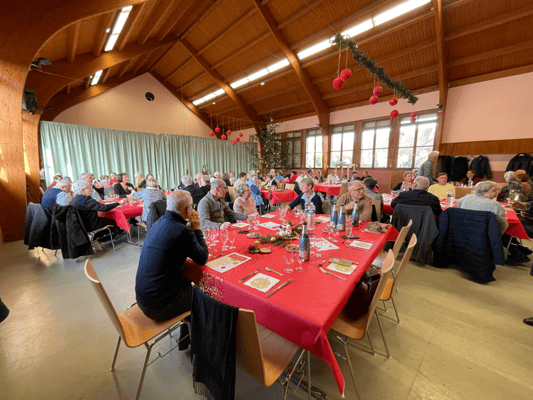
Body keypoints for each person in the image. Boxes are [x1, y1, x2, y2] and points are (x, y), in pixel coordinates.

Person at [135, 190, 208, 322]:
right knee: (207, 294)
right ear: (188, 209)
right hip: (160, 305)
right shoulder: (182, 231)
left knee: (188, 282)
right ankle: (198, 330)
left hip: (143, 298)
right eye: (192, 206)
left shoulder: (158, 222)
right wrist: (197, 229)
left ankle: (187, 326)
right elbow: (202, 258)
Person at [70, 181, 121, 251]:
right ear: (82, 190)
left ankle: (96, 240)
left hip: (80, 226)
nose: (91, 190)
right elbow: (104, 208)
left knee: (104, 219)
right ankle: (97, 240)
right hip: (91, 225)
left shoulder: (74, 199)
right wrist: (118, 203)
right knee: (114, 221)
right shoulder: (86, 199)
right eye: (89, 188)